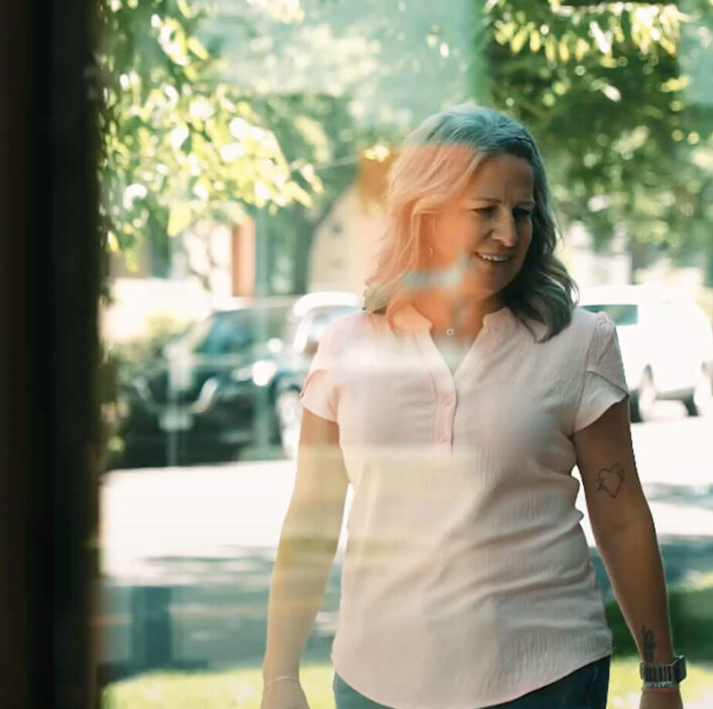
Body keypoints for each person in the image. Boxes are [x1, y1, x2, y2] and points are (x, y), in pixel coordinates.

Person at [259, 105, 684, 709]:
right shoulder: (347, 346)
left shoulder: (579, 342)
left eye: (523, 213)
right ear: (426, 214)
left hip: (548, 679)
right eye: (484, 211)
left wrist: (659, 676)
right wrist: (280, 675)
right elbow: (311, 522)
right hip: (375, 684)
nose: (508, 234)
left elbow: (620, 517)